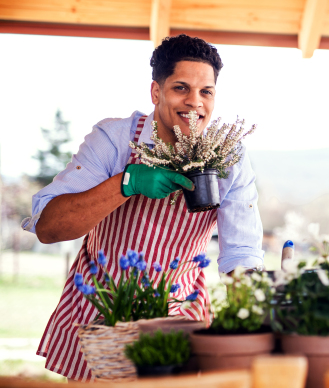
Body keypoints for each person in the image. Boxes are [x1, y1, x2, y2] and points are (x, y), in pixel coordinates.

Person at [21, 34, 264, 381]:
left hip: (179, 317)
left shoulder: (229, 158)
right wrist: (126, 182)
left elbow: (241, 251)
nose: (195, 102)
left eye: (206, 91)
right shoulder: (114, 140)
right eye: (181, 88)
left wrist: (252, 315)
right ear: (156, 92)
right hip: (103, 314)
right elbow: (49, 228)